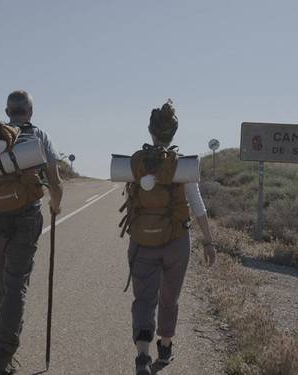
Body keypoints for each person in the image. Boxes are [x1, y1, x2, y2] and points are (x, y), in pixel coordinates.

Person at [121, 100, 216, 375]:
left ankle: (142, 355)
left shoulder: (136, 162)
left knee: (144, 299)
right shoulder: (181, 165)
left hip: (141, 241)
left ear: (151, 131)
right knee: (169, 297)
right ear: (173, 133)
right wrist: (209, 242)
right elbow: (196, 204)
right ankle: (164, 348)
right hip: (176, 242)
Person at [0, 91, 63, 374]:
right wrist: (56, 204)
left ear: (7, 110)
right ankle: (4, 353)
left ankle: (7, 330)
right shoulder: (39, 135)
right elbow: (55, 180)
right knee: (16, 284)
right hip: (27, 217)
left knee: (1, 278)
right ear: (30, 110)